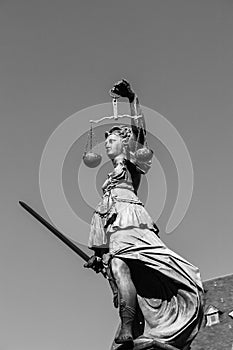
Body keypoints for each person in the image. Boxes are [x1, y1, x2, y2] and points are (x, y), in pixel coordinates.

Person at [84, 80, 204, 350]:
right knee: (117, 268)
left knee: (123, 266)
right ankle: (128, 327)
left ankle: (132, 325)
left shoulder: (132, 163)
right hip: (115, 226)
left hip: (132, 221)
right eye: (106, 142)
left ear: (124, 144)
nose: (107, 145)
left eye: (112, 140)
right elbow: (103, 214)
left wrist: (132, 98)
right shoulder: (109, 178)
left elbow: (140, 130)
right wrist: (98, 254)